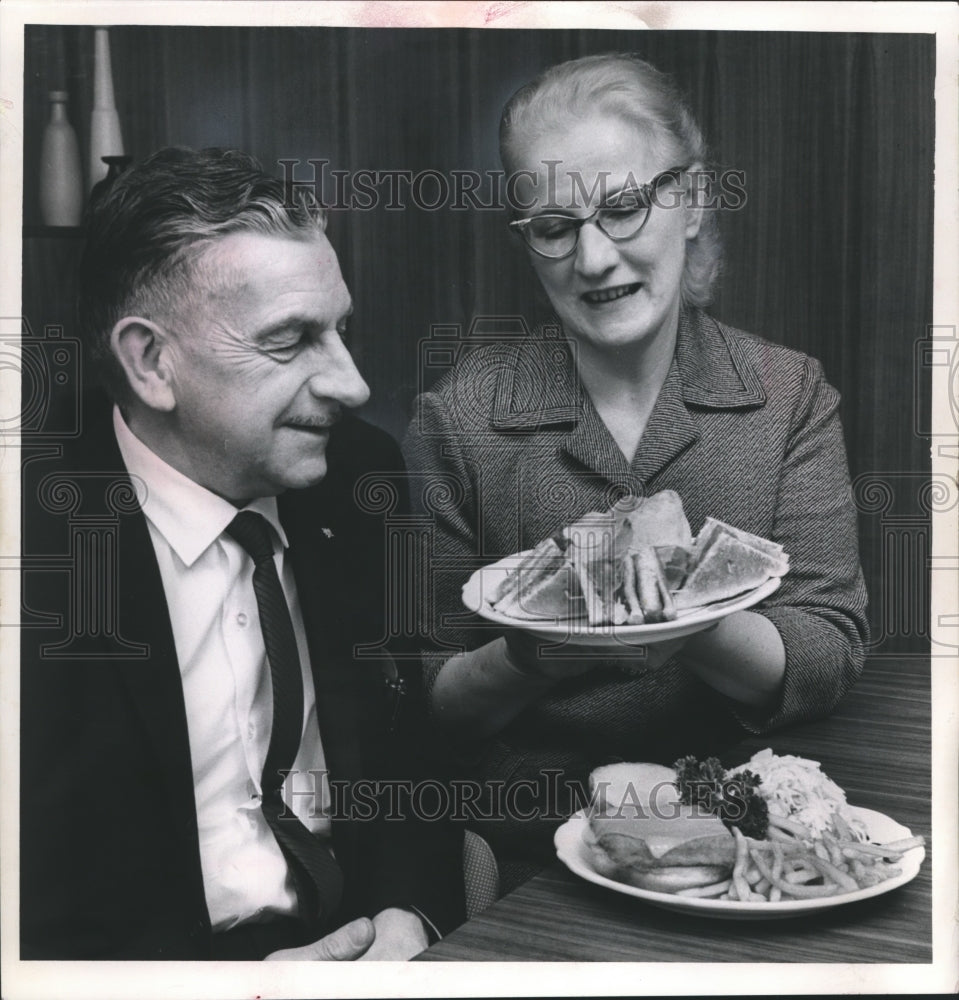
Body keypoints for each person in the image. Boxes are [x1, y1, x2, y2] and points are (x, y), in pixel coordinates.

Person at [403, 54, 869, 891]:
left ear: (689, 201)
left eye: (621, 208)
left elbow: (828, 650)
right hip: (525, 855)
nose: (591, 258)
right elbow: (425, 693)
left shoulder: (787, 394)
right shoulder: (461, 417)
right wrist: (530, 656)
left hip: (747, 843)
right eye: (553, 226)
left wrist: (682, 616)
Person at [20, 147, 463, 960]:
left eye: (341, 331)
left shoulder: (359, 475)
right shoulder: (33, 550)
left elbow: (410, 755)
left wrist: (409, 917)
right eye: (291, 341)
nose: (353, 384)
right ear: (151, 362)